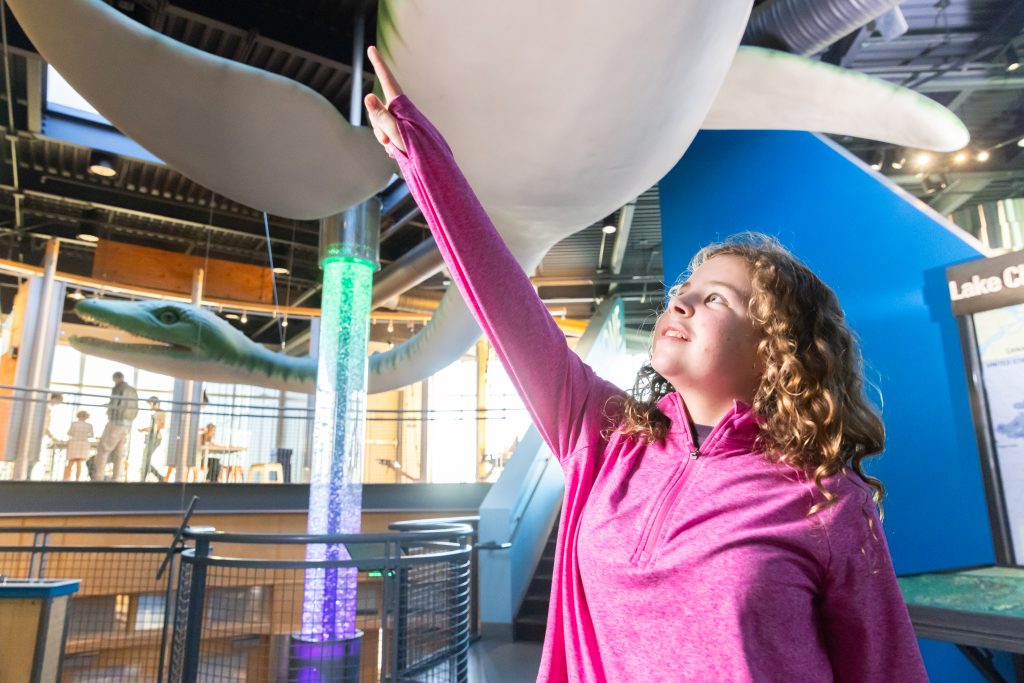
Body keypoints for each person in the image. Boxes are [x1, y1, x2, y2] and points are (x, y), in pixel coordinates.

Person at [364, 47, 928, 682]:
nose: (680, 301)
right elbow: (503, 300)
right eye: (680, 292)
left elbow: (887, 669)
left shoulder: (826, 501)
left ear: (777, 347)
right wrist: (420, 155)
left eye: (714, 298)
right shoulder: (606, 438)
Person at [90, 371, 139, 481]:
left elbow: (116, 403)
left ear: (115, 378)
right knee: (119, 453)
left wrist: (110, 410)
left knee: (103, 449)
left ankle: (98, 477)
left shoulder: (118, 388)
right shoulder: (132, 390)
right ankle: (116, 478)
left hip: (116, 422)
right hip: (127, 425)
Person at [138, 396, 166, 481]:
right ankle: (156, 477)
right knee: (146, 459)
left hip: (155, 438)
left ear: (155, 404)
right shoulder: (155, 413)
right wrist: (144, 429)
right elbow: (153, 427)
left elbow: (161, 425)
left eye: (150, 404)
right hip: (151, 437)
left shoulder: (161, 413)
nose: (150, 406)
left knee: (145, 459)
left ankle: (155, 477)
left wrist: (146, 429)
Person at [64, 410, 94, 481]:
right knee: (79, 463)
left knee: (70, 462)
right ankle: (77, 479)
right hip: (83, 444)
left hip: (74, 443)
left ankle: (66, 479)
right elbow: (92, 435)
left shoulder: (74, 424)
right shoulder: (89, 425)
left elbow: (69, 433)